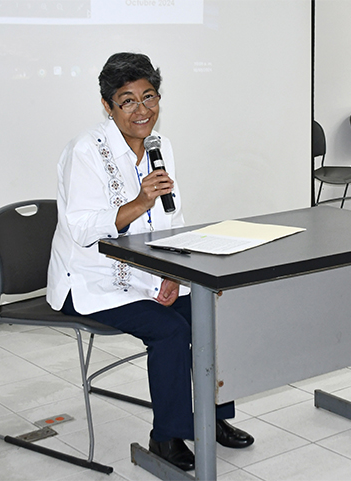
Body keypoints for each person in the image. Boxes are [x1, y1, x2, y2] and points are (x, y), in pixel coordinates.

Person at [47, 52, 254, 471]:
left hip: (148, 273)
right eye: (128, 101)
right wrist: (140, 200)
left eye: (150, 97)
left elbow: (171, 220)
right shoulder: (85, 151)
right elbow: (85, 230)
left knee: (212, 311)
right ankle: (166, 438)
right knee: (171, 331)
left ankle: (212, 418)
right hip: (91, 280)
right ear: (108, 106)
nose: (142, 111)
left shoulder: (161, 146)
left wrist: (172, 273)